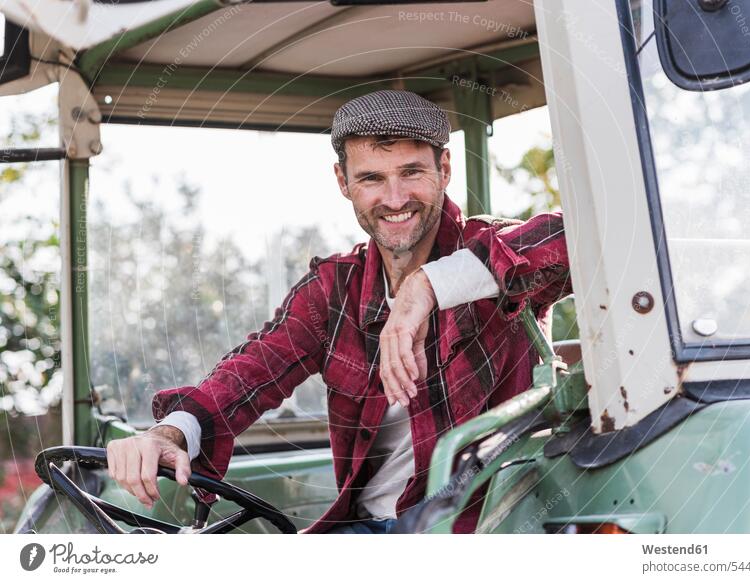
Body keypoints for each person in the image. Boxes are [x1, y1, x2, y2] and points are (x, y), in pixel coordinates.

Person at [105, 89, 571, 533]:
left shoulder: (491, 258)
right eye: (371, 178)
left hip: (477, 527)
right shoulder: (334, 289)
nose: (394, 198)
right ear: (343, 182)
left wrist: (427, 287)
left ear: (444, 169)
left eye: (411, 172)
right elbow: (249, 374)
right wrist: (169, 434)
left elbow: (578, 240)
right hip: (361, 529)